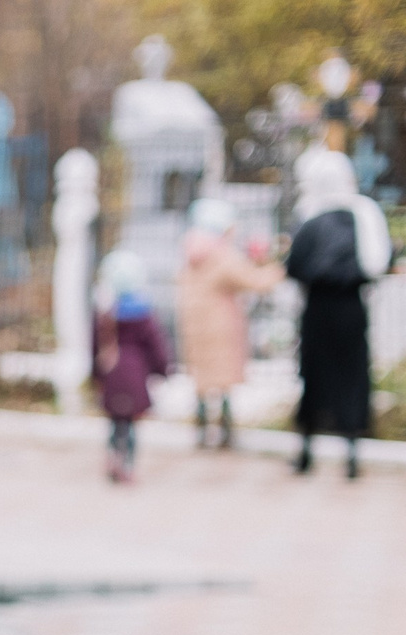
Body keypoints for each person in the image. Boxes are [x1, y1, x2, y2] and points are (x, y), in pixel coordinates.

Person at [287, 147, 394, 479]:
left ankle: (306, 451)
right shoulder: (364, 214)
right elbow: (378, 262)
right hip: (351, 307)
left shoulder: (308, 215)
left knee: (314, 376)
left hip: (317, 308)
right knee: (352, 376)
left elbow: (294, 266)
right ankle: (351, 452)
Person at [178, 198, 282, 450]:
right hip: (221, 327)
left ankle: (202, 430)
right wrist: (274, 266)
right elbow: (255, 281)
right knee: (223, 381)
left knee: (203, 381)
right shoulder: (222, 255)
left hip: (195, 326)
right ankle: (225, 432)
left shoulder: (192, 253)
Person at [93, 250, 171, 483]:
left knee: (115, 421)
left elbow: (93, 347)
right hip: (135, 376)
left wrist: (96, 375)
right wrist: (162, 369)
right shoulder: (143, 313)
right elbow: (156, 345)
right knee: (131, 424)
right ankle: (127, 463)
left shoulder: (104, 312)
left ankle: (112, 454)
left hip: (110, 374)